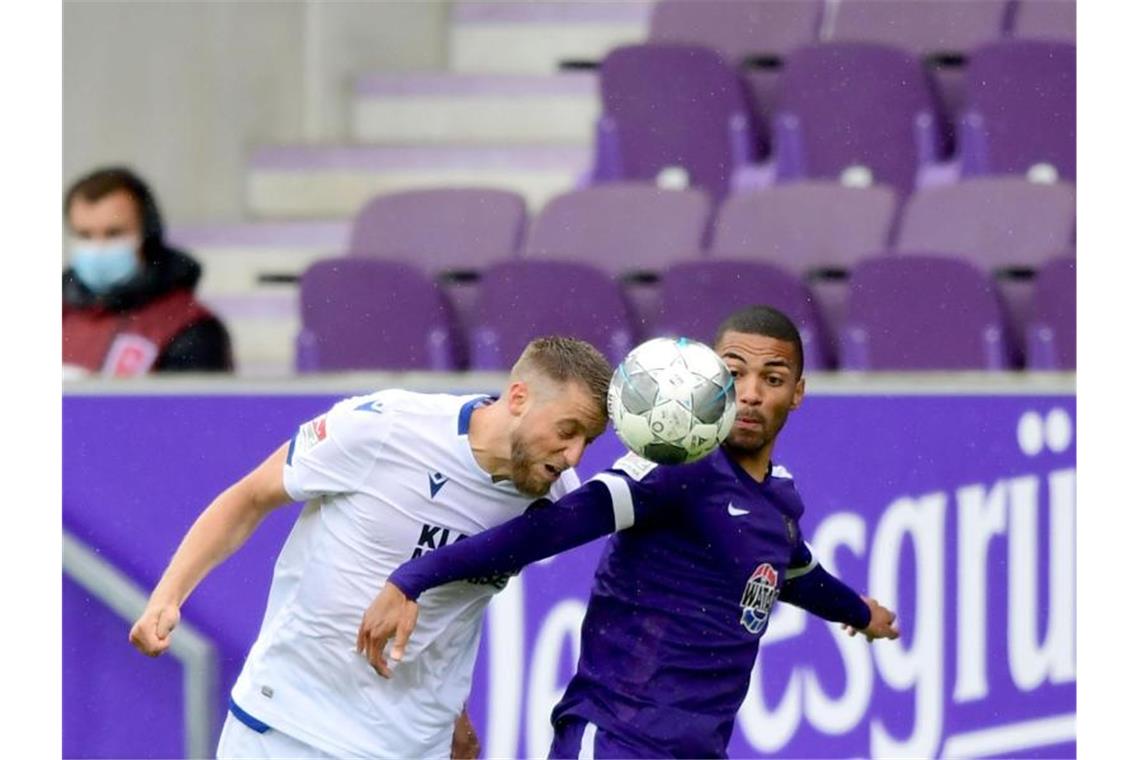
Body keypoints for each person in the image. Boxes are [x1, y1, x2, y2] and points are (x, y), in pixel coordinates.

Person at [360, 305, 901, 759]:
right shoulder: (680, 469)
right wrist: (415, 577)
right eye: (734, 374)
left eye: (773, 379)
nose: (752, 393)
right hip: (620, 736)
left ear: (798, 393)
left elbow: (795, 570)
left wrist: (860, 613)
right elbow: (553, 528)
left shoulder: (776, 498)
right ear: (708, 380)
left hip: (697, 747)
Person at [128, 336, 612, 759]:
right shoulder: (385, 427)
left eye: (587, 441)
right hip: (289, 726)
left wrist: (453, 715)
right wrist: (169, 596)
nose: (573, 456)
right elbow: (250, 497)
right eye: (566, 431)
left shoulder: (554, 500)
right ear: (519, 397)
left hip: (412, 744)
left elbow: (454, 607)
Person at [63, 166, 233, 376]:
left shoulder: (190, 327)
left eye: (114, 233)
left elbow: (196, 408)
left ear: (146, 235)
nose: (98, 248)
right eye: (85, 235)